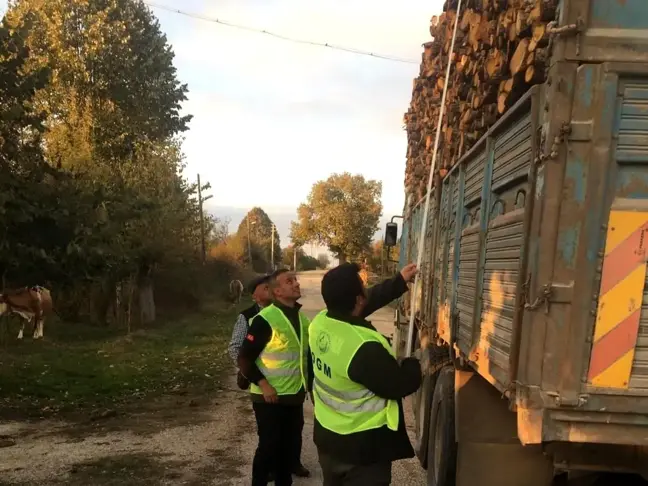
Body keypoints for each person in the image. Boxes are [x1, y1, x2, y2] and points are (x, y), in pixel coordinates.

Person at [309, 262, 421, 485]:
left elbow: (364, 303)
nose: (366, 290)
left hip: (328, 440)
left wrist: (399, 282)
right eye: (362, 286)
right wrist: (416, 362)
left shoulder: (321, 322)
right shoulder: (363, 348)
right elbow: (399, 385)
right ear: (359, 299)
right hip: (362, 452)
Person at [238, 269, 311, 486]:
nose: (296, 284)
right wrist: (263, 384)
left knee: (287, 451)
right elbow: (244, 358)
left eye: (296, 280)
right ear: (276, 291)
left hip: (294, 396)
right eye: (290, 281)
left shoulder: (302, 318)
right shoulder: (264, 319)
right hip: (269, 397)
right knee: (269, 448)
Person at [228, 275, 272, 390]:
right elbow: (235, 348)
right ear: (255, 296)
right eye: (266, 287)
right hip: (261, 388)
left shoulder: (285, 313)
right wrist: (250, 372)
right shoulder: (246, 316)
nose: (271, 289)